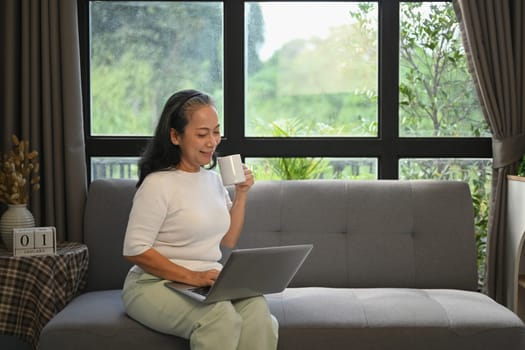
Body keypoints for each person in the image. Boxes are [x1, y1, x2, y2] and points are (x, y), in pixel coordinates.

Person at [121, 89, 278, 350]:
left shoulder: (213, 180)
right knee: (219, 318)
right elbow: (134, 249)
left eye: (216, 132)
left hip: (207, 281)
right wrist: (192, 277)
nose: (212, 142)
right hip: (152, 284)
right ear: (175, 136)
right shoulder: (158, 184)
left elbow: (228, 240)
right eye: (202, 134)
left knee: (258, 312)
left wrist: (241, 194)